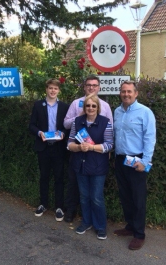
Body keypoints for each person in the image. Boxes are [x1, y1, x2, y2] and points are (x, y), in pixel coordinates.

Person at [63, 74, 113, 223]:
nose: (91, 87)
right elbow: (66, 125)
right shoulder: (75, 103)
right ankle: (73, 213)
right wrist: (80, 116)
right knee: (76, 186)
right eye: (88, 85)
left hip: (97, 155)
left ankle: (99, 224)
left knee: (96, 195)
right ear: (84, 87)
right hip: (79, 153)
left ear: (99, 87)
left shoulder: (105, 106)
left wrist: (106, 150)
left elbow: (110, 130)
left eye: (94, 85)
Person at [113, 80, 156, 250]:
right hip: (120, 159)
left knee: (138, 198)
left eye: (129, 91)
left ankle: (139, 234)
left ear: (136, 93)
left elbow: (150, 138)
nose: (126, 94)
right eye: (123, 91)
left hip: (137, 160)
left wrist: (145, 162)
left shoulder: (145, 112)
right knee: (125, 196)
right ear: (120, 93)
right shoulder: (117, 111)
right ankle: (130, 226)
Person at [29, 78, 69, 221]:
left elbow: (68, 126)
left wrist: (63, 133)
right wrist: (39, 133)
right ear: (46, 89)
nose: (53, 91)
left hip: (58, 147)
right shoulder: (38, 105)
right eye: (50, 88)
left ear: (59, 90)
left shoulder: (64, 106)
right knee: (44, 177)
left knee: (59, 177)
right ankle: (43, 204)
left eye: (55, 88)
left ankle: (59, 207)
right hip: (43, 146)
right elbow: (32, 125)